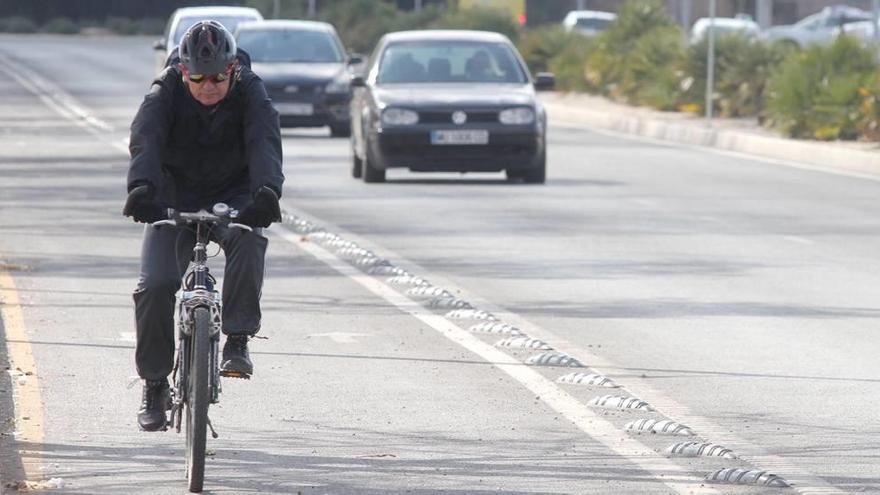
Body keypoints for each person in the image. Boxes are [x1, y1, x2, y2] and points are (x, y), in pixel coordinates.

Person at [123, 21, 284, 432]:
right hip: (173, 196)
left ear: (232, 70)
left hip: (235, 194)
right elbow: (146, 136)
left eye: (216, 78)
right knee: (155, 285)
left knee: (250, 243)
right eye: (197, 78)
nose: (208, 87)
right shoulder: (165, 90)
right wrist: (141, 188)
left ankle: (237, 338)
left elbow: (264, 139)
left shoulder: (250, 90)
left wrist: (266, 192)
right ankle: (155, 383)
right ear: (183, 72)